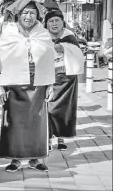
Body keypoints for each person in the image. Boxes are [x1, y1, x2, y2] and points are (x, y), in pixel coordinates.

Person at [0, 0, 55, 173]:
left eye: (32, 13)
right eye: (25, 13)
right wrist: (0, 86)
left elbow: (48, 60)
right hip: (14, 83)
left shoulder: (42, 33)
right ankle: (15, 158)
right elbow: (0, 60)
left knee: (37, 121)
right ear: (18, 15)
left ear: (37, 15)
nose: (29, 17)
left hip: (38, 83)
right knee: (15, 122)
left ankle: (35, 158)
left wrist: (50, 85)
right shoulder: (8, 32)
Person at [45, 9, 85, 151]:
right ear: (46, 24)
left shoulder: (69, 36)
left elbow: (78, 54)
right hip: (48, 77)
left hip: (67, 78)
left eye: (57, 20)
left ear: (63, 23)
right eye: (51, 21)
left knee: (64, 110)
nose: (54, 24)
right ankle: (48, 139)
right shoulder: (42, 36)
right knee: (48, 109)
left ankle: (61, 138)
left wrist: (63, 47)